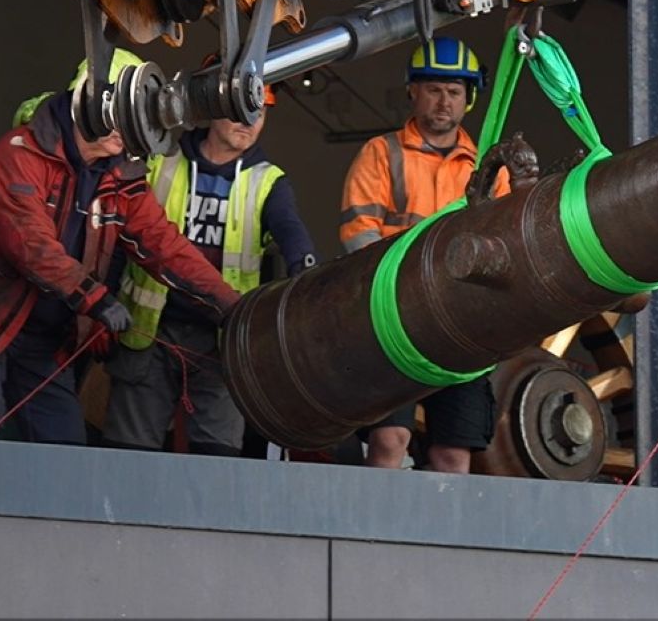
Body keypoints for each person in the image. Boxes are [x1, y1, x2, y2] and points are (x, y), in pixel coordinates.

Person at [0, 53, 241, 443]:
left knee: (66, 449)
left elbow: (165, 245)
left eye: (135, 121)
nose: (127, 132)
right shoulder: (19, 153)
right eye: (120, 117)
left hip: (40, 338)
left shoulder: (121, 177)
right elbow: (30, 244)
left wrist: (230, 304)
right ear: (88, 102)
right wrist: (95, 298)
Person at [102, 74, 316, 457]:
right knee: (127, 457)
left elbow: (291, 230)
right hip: (150, 332)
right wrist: (101, 299)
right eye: (239, 109)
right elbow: (120, 235)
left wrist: (306, 271)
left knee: (217, 462)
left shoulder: (269, 181)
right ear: (211, 106)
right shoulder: (160, 159)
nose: (248, 121)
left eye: (259, 112)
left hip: (223, 340)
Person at [339, 36, 508, 473]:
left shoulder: (489, 168)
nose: (443, 101)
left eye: (454, 91)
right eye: (433, 89)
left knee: (454, 456)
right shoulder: (381, 153)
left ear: (469, 99)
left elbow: (505, 249)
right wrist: (402, 292)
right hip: (393, 321)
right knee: (389, 441)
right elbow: (359, 233)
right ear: (412, 91)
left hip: (462, 327)